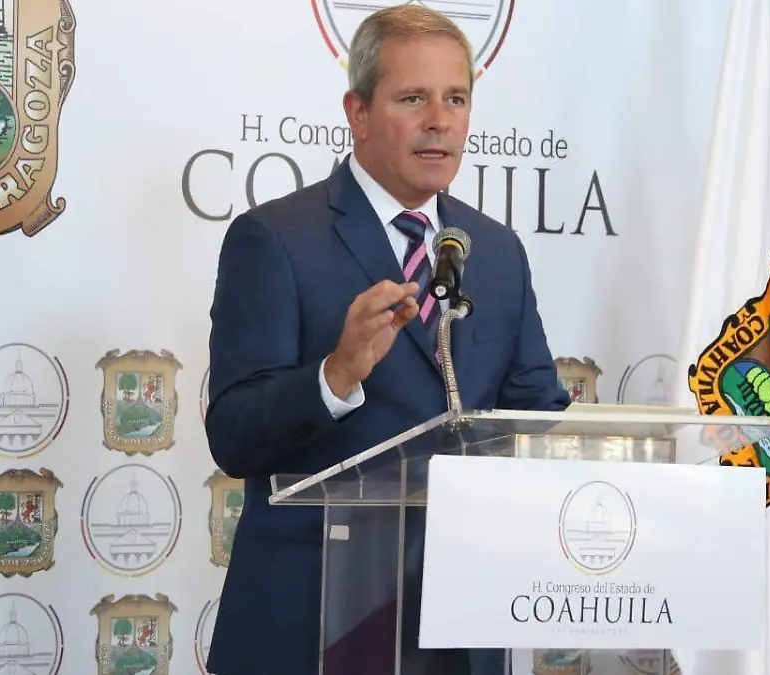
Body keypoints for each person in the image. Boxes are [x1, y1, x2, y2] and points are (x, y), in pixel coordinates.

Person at [204, 5, 570, 675]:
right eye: (413, 98)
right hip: (313, 628)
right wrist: (335, 375)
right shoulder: (275, 240)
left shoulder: (496, 251)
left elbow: (536, 414)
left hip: (461, 628)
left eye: (456, 98)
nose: (440, 120)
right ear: (359, 113)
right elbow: (232, 436)